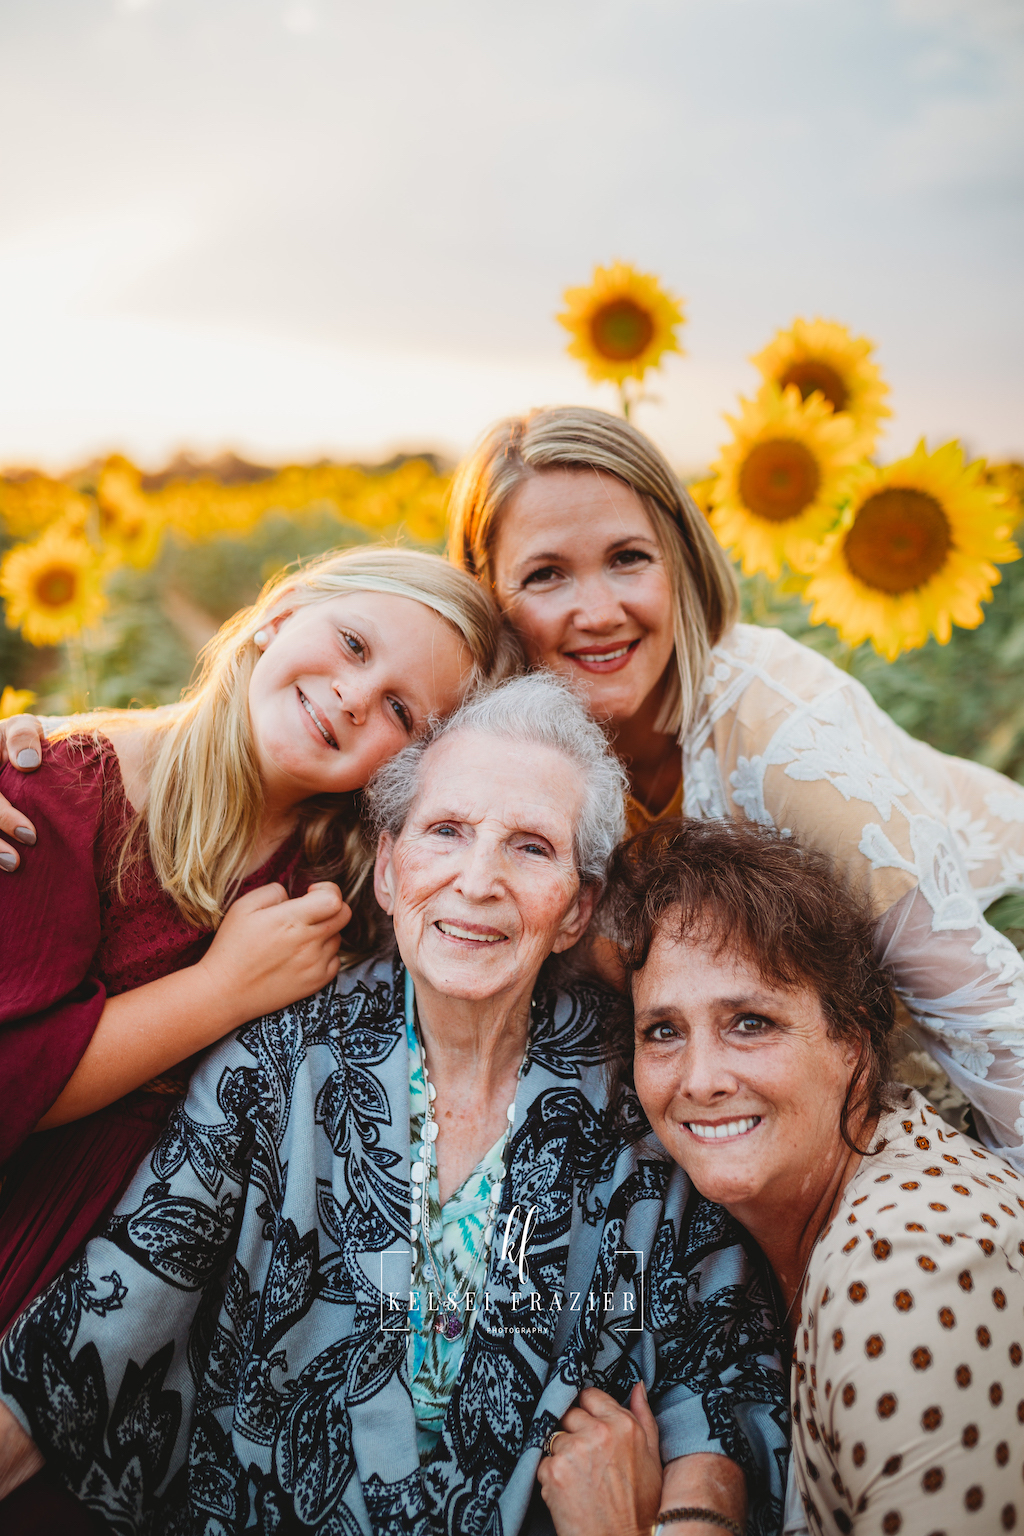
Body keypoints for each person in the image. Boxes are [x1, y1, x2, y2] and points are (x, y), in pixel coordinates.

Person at [0, 677, 788, 1536]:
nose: (478, 880)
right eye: (446, 831)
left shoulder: (641, 1086)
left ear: (578, 908)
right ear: (387, 868)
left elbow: (719, 1376)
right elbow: (90, 1343)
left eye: (531, 848)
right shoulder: (274, 1066)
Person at [444, 405, 1024, 1171]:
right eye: (547, 574)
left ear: (681, 557)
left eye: (628, 558)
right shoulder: (501, 745)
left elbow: (984, 1015)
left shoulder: (779, 734)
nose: (598, 612)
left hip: (977, 961)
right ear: (487, 596)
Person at [0, 544, 507, 1340]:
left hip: (182, 1325)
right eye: (352, 644)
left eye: (401, 712)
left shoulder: (339, 889)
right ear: (280, 614)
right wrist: (219, 991)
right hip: (26, 1273)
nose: (351, 696)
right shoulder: (49, 791)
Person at [561, 816, 1022, 1536]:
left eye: (750, 1022)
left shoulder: (903, 1272)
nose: (701, 1079)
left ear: (853, 1041)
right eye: (664, 1031)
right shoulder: (765, 1238)